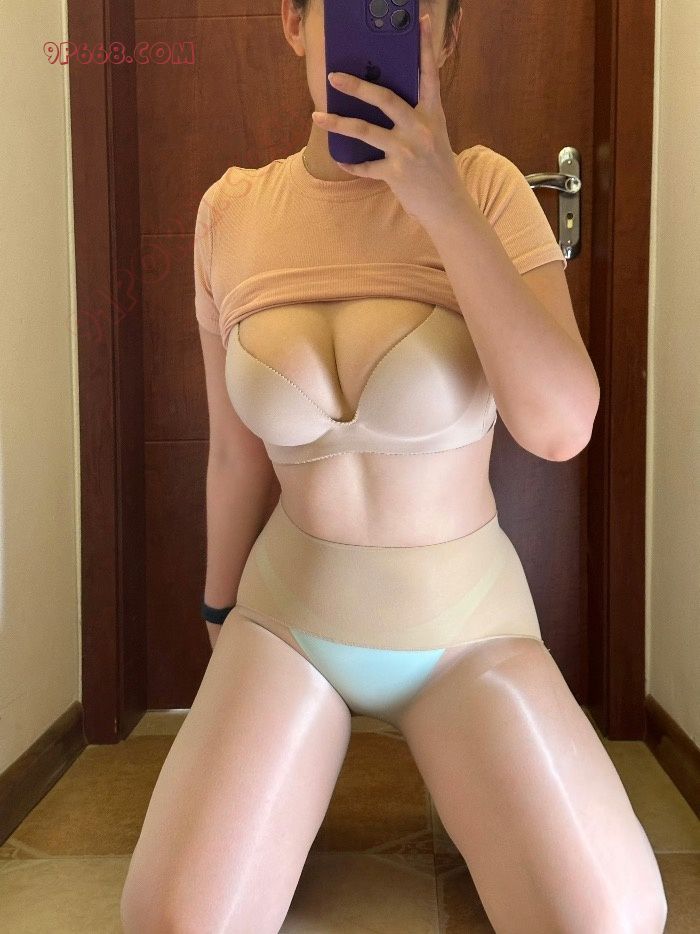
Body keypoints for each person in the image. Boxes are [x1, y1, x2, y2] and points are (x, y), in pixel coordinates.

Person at [121, 2, 668, 931]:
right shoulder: (231, 211)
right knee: (174, 924)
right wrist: (218, 615)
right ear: (296, 22)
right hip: (287, 618)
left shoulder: (489, 189)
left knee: (606, 923)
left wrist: (443, 203)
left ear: (446, 39)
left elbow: (560, 427)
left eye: (409, 13)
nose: (382, 33)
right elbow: (233, 453)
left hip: (467, 631)